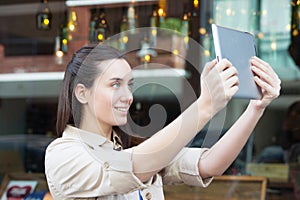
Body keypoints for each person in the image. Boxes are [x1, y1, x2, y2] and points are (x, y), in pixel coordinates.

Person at [45, 43, 281, 199]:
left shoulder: (134, 146)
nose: (127, 96)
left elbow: (209, 164)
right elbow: (133, 165)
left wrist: (256, 107)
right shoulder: (63, 154)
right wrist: (206, 105)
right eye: (115, 84)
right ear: (82, 93)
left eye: (129, 85)